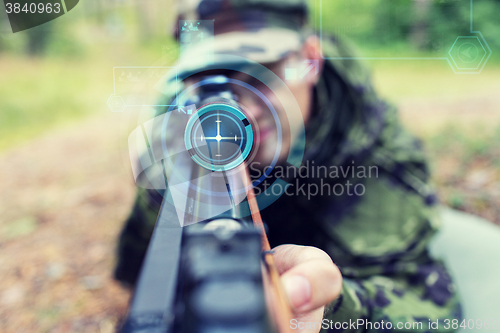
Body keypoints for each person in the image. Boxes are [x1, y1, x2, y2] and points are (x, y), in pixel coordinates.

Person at [115, 0, 461, 332]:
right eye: (213, 81)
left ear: (310, 61)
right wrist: (164, 192)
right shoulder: (183, 126)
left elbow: (428, 304)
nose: (242, 114)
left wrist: (328, 311)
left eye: (261, 76)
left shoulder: (368, 145)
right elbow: (137, 269)